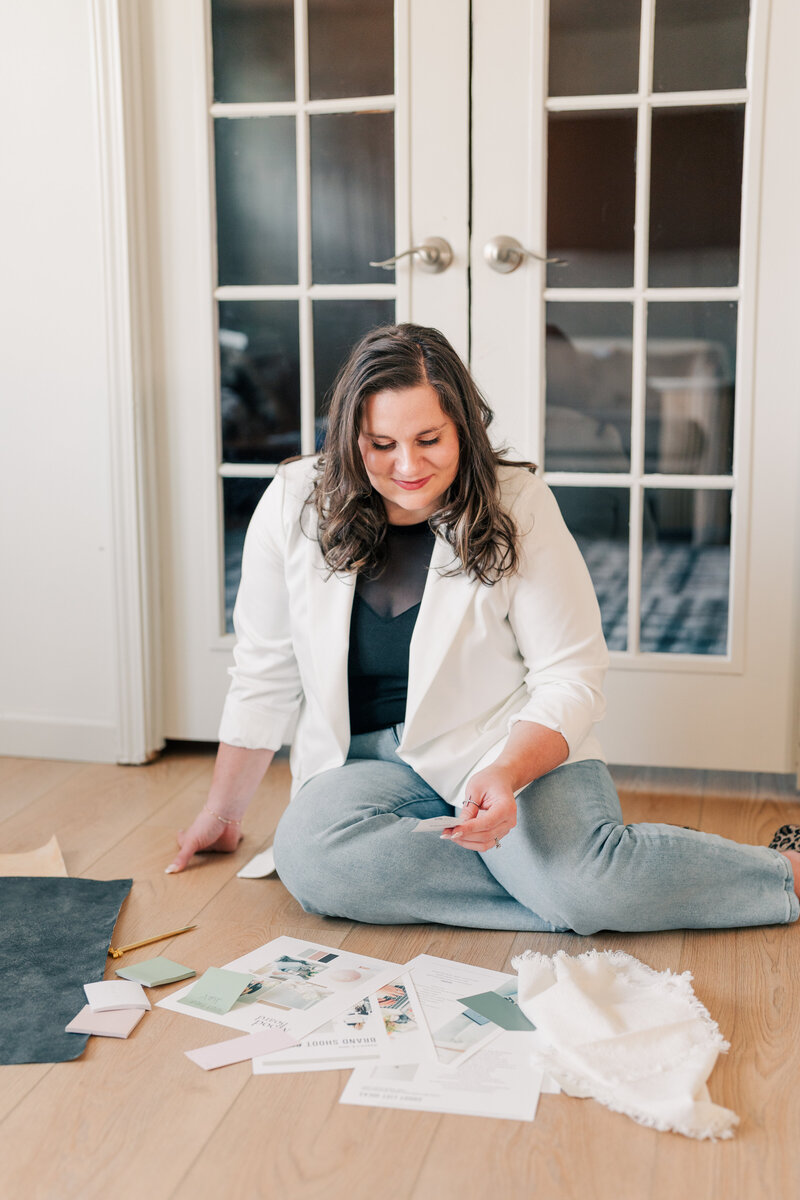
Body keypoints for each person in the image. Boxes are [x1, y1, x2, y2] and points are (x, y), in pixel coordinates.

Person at [166, 323, 800, 936]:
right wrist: (223, 813)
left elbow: (571, 679)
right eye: (380, 444)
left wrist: (505, 775)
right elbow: (264, 671)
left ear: (463, 429)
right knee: (312, 863)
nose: (407, 466)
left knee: (581, 882)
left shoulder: (517, 502)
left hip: (506, 750)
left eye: (429, 439)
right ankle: (597, 876)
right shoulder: (293, 500)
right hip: (365, 765)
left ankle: (773, 873)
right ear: (347, 438)